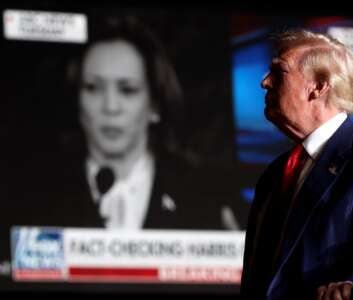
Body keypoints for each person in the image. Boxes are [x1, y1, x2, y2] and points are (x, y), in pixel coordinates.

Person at [7, 14, 246, 231]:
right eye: (93, 88)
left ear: (154, 105)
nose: (110, 107)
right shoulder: (33, 190)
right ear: (77, 99)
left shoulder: (205, 194)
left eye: (127, 90)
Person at [240, 29, 353, 300]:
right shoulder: (274, 173)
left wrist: (350, 285)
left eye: (279, 72)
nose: (265, 83)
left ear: (319, 85)